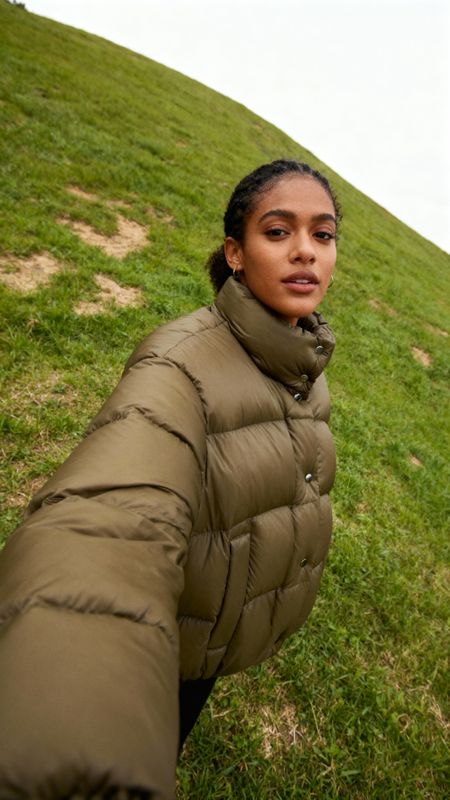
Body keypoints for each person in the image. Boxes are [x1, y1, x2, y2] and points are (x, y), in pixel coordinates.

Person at [0, 159, 340, 799]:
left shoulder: (304, 359)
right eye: (278, 232)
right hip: (178, 638)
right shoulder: (179, 363)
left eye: (322, 235)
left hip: (218, 628)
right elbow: (110, 519)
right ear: (235, 254)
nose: (305, 252)